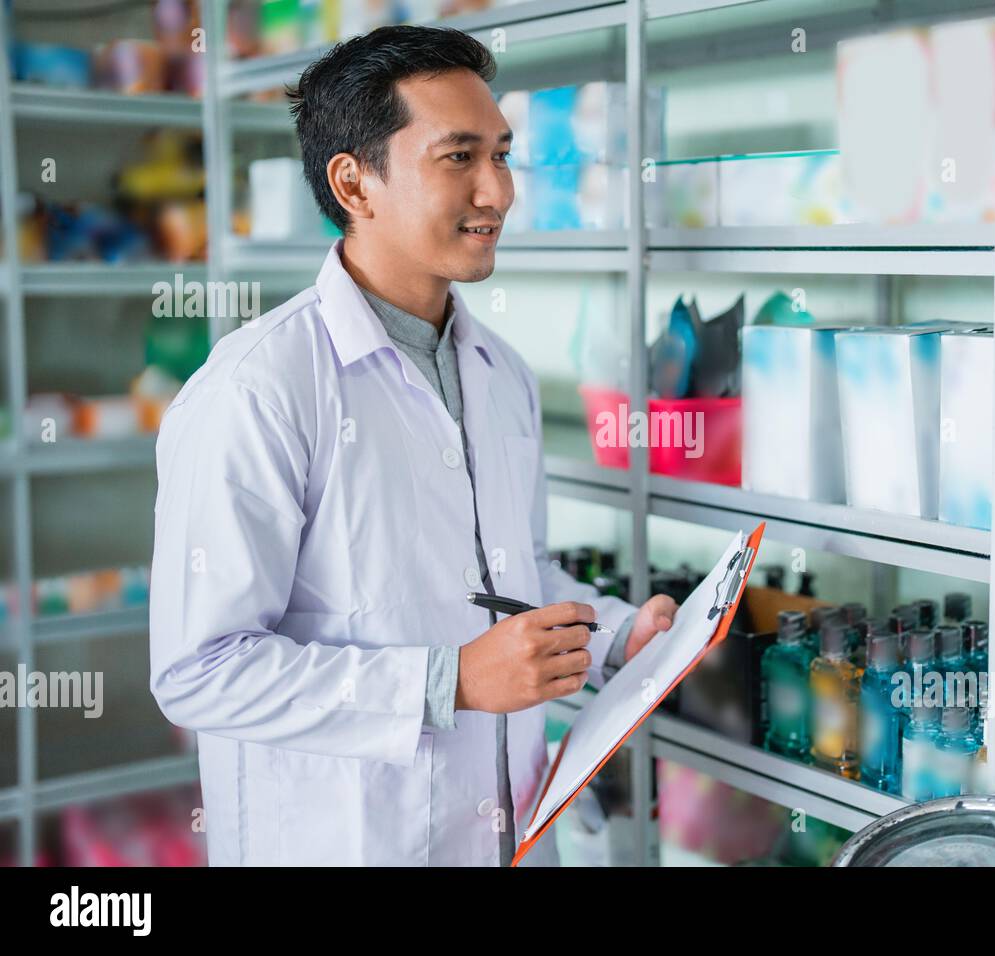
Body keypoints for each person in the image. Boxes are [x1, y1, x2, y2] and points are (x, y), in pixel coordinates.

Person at [149, 24, 678, 866]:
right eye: (458, 157)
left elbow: (514, 576)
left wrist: (616, 636)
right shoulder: (256, 390)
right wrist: (452, 683)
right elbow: (201, 670)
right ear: (354, 183)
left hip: (505, 833)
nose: (497, 191)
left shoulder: (502, 375)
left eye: (502, 155)